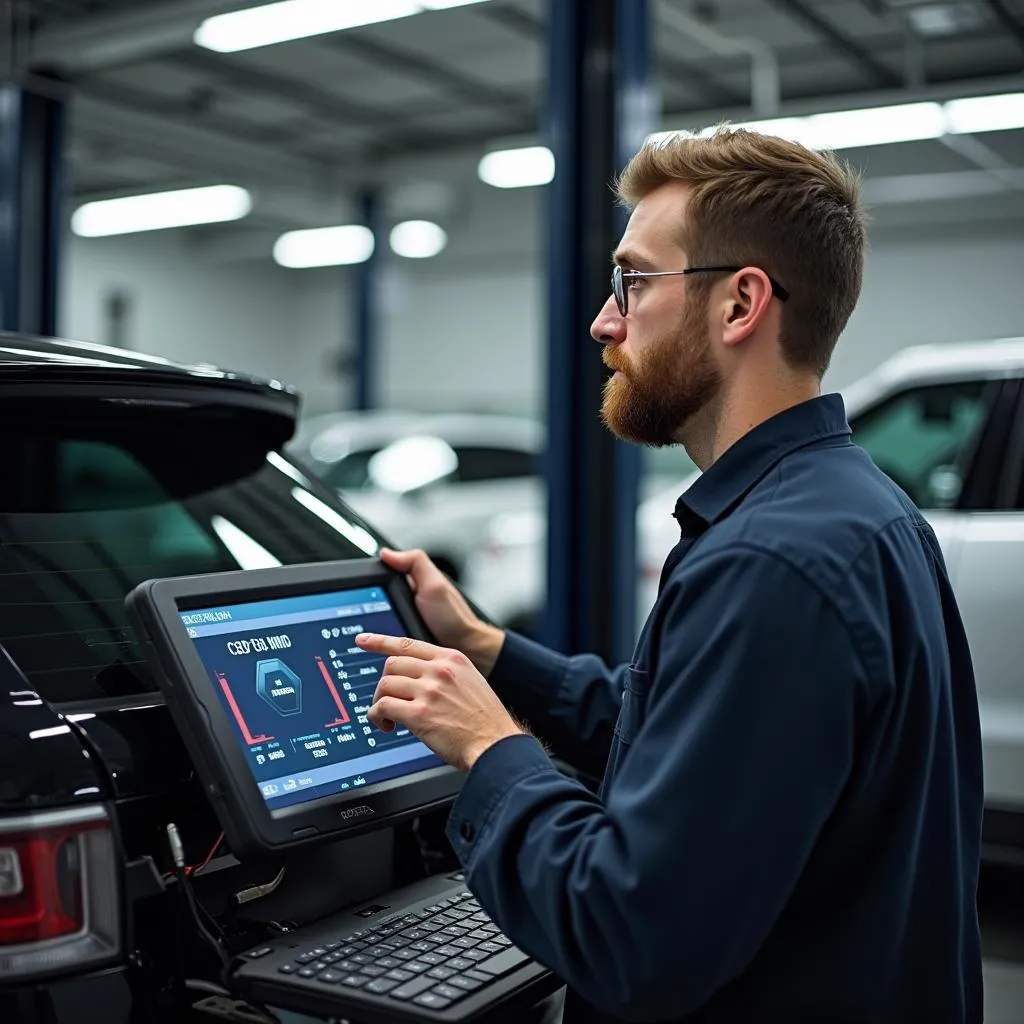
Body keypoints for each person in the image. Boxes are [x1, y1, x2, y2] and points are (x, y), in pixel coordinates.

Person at [357, 127, 984, 1023]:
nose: (604, 321)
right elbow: (697, 741)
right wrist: (488, 650)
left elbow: (628, 935)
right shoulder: (854, 507)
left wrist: (492, 753)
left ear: (740, 305)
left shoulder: (772, 563)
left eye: (633, 281)